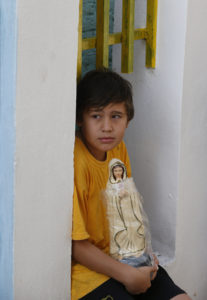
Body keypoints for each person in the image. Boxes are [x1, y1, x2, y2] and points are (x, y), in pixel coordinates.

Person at [72, 68, 191, 300]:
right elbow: (77, 247)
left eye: (116, 116)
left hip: (123, 256)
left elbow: (125, 211)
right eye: (96, 116)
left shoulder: (118, 150)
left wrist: (144, 253)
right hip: (86, 274)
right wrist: (127, 275)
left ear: (128, 119)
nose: (107, 127)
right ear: (79, 119)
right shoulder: (77, 161)